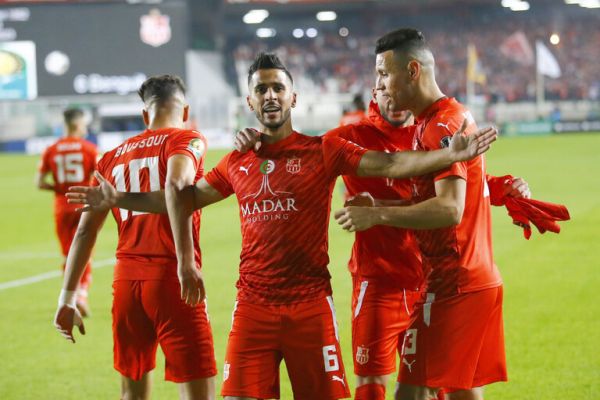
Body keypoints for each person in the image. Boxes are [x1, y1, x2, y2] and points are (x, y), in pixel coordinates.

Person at [67, 53, 497, 400]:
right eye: (261, 89)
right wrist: (119, 199)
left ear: (293, 99)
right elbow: (182, 197)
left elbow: (391, 162)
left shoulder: (323, 150)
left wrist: (448, 156)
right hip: (253, 308)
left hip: (311, 307)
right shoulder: (238, 160)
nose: (270, 95)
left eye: (278, 87)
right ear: (250, 103)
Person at [334, 28, 510, 400]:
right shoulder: (431, 123)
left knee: (411, 393)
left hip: (455, 283)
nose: (379, 83)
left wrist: (379, 218)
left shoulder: (443, 125)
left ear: (412, 70)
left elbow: (449, 209)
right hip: (463, 279)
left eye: (384, 73)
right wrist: (380, 206)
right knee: (460, 392)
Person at [53, 75, 216, 400]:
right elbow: (176, 187)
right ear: (184, 110)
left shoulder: (112, 156)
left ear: (145, 115)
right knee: (198, 390)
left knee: (132, 392)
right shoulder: (187, 139)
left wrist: (67, 298)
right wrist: (186, 263)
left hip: (126, 283)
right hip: (172, 279)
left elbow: (85, 229)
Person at [37, 108, 98, 316]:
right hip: (84, 205)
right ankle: (81, 294)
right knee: (85, 252)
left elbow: (40, 183)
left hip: (62, 207)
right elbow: (99, 178)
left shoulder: (51, 149)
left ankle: (69, 298)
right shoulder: (89, 149)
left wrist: (61, 189)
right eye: (84, 124)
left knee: (67, 254)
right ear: (77, 124)